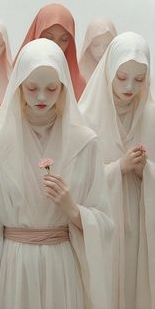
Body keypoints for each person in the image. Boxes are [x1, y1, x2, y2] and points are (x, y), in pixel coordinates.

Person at [0, 38, 113, 309]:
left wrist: (73, 209)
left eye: (52, 88)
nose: (42, 97)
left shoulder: (85, 141)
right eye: (32, 88)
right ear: (19, 86)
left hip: (63, 269)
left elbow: (105, 223)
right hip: (15, 268)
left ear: (64, 87)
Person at [79, 32, 155, 309]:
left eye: (139, 79)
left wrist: (145, 171)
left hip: (142, 225)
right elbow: (76, 180)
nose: (130, 87)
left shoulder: (151, 116)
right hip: (104, 224)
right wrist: (117, 168)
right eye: (122, 77)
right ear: (110, 70)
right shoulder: (85, 117)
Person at [14, 3, 85, 101]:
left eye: (64, 39)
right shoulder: (17, 78)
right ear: (37, 34)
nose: (55, 45)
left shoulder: (78, 84)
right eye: (48, 38)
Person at [79, 17, 117, 82]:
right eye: (96, 45)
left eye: (108, 45)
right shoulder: (78, 72)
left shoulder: (120, 71)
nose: (102, 51)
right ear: (88, 44)